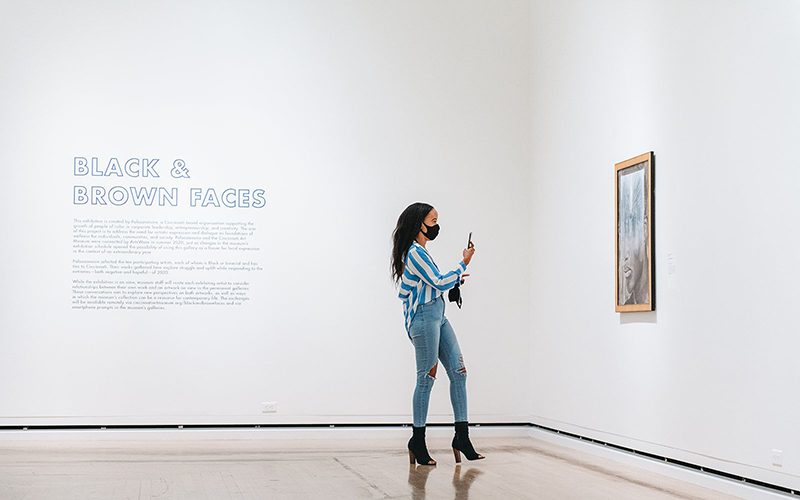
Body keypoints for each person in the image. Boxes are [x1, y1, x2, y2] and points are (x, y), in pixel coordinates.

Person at [390, 202, 485, 466]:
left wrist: (455, 277)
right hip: (423, 318)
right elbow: (439, 281)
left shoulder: (422, 252)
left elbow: (436, 281)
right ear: (419, 224)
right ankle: (417, 441)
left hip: (438, 314)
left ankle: (461, 437)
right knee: (426, 378)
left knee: (459, 371)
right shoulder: (415, 253)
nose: (436, 226)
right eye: (432, 221)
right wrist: (463, 262)